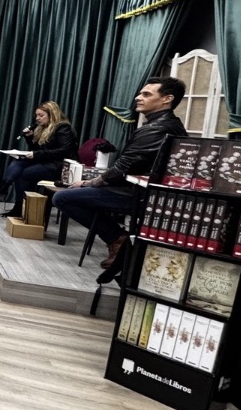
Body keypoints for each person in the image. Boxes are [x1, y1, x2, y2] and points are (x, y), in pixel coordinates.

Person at [54, 77, 187, 269]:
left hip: (139, 195)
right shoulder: (167, 124)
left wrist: (88, 183)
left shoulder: (158, 128)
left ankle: (117, 239)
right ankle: (118, 239)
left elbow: (123, 167)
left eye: (146, 94)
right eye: (140, 93)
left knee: (63, 198)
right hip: (145, 191)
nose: (137, 98)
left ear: (167, 99)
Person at [0, 100, 78, 218]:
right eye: (36, 115)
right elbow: (38, 149)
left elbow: (63, 151)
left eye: (41, 115)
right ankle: (3, 189)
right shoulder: (43, 128)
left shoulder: (63, 128)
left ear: (52, 114)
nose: (37, 118)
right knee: (19, 162)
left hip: (59, 166)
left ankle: (15, 202)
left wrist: (36, 154)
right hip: (47, 162)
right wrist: (29, 138)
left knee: (25, 173)